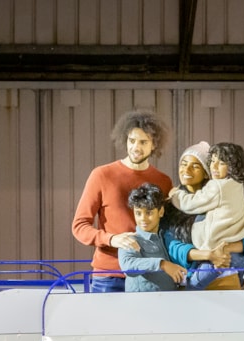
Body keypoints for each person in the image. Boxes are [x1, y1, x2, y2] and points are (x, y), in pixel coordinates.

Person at [72, 109, 173, 292]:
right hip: (109, 275)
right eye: (132, 140)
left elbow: (168, 229)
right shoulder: (102, 175)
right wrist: (111, 239)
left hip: (150, 276)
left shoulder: (163, 181)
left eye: (143, 142)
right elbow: (79, 226)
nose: (136, 147)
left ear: (154, 145)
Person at [163, 141, 244, 289]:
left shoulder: (221, 193)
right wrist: (209, 255)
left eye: (195, 166)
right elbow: (171, 247)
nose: (186, 170)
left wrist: (227, 249)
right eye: (183, 164)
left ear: (205, 172)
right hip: (188, 277)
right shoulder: (171, 207)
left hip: (225, 278)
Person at [118, 184, 188, 292]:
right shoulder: (131, 239)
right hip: (142, 304)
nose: (143, 219)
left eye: (149, 212)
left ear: (161, 212)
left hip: (170, 302)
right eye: (138, 213)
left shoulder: (167, 238)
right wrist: (162, 264)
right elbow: (128, 266)